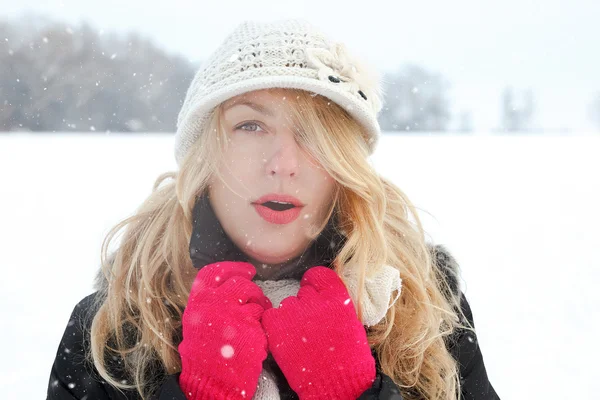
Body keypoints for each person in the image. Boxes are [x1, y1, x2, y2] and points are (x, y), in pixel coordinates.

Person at [47, 18, 500, 400]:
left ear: (345, 163)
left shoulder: (424, 310)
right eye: (250, 125)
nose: (283, 164)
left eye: (315, 133)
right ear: (206, 155)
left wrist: (352, 393)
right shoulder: (115, 327)